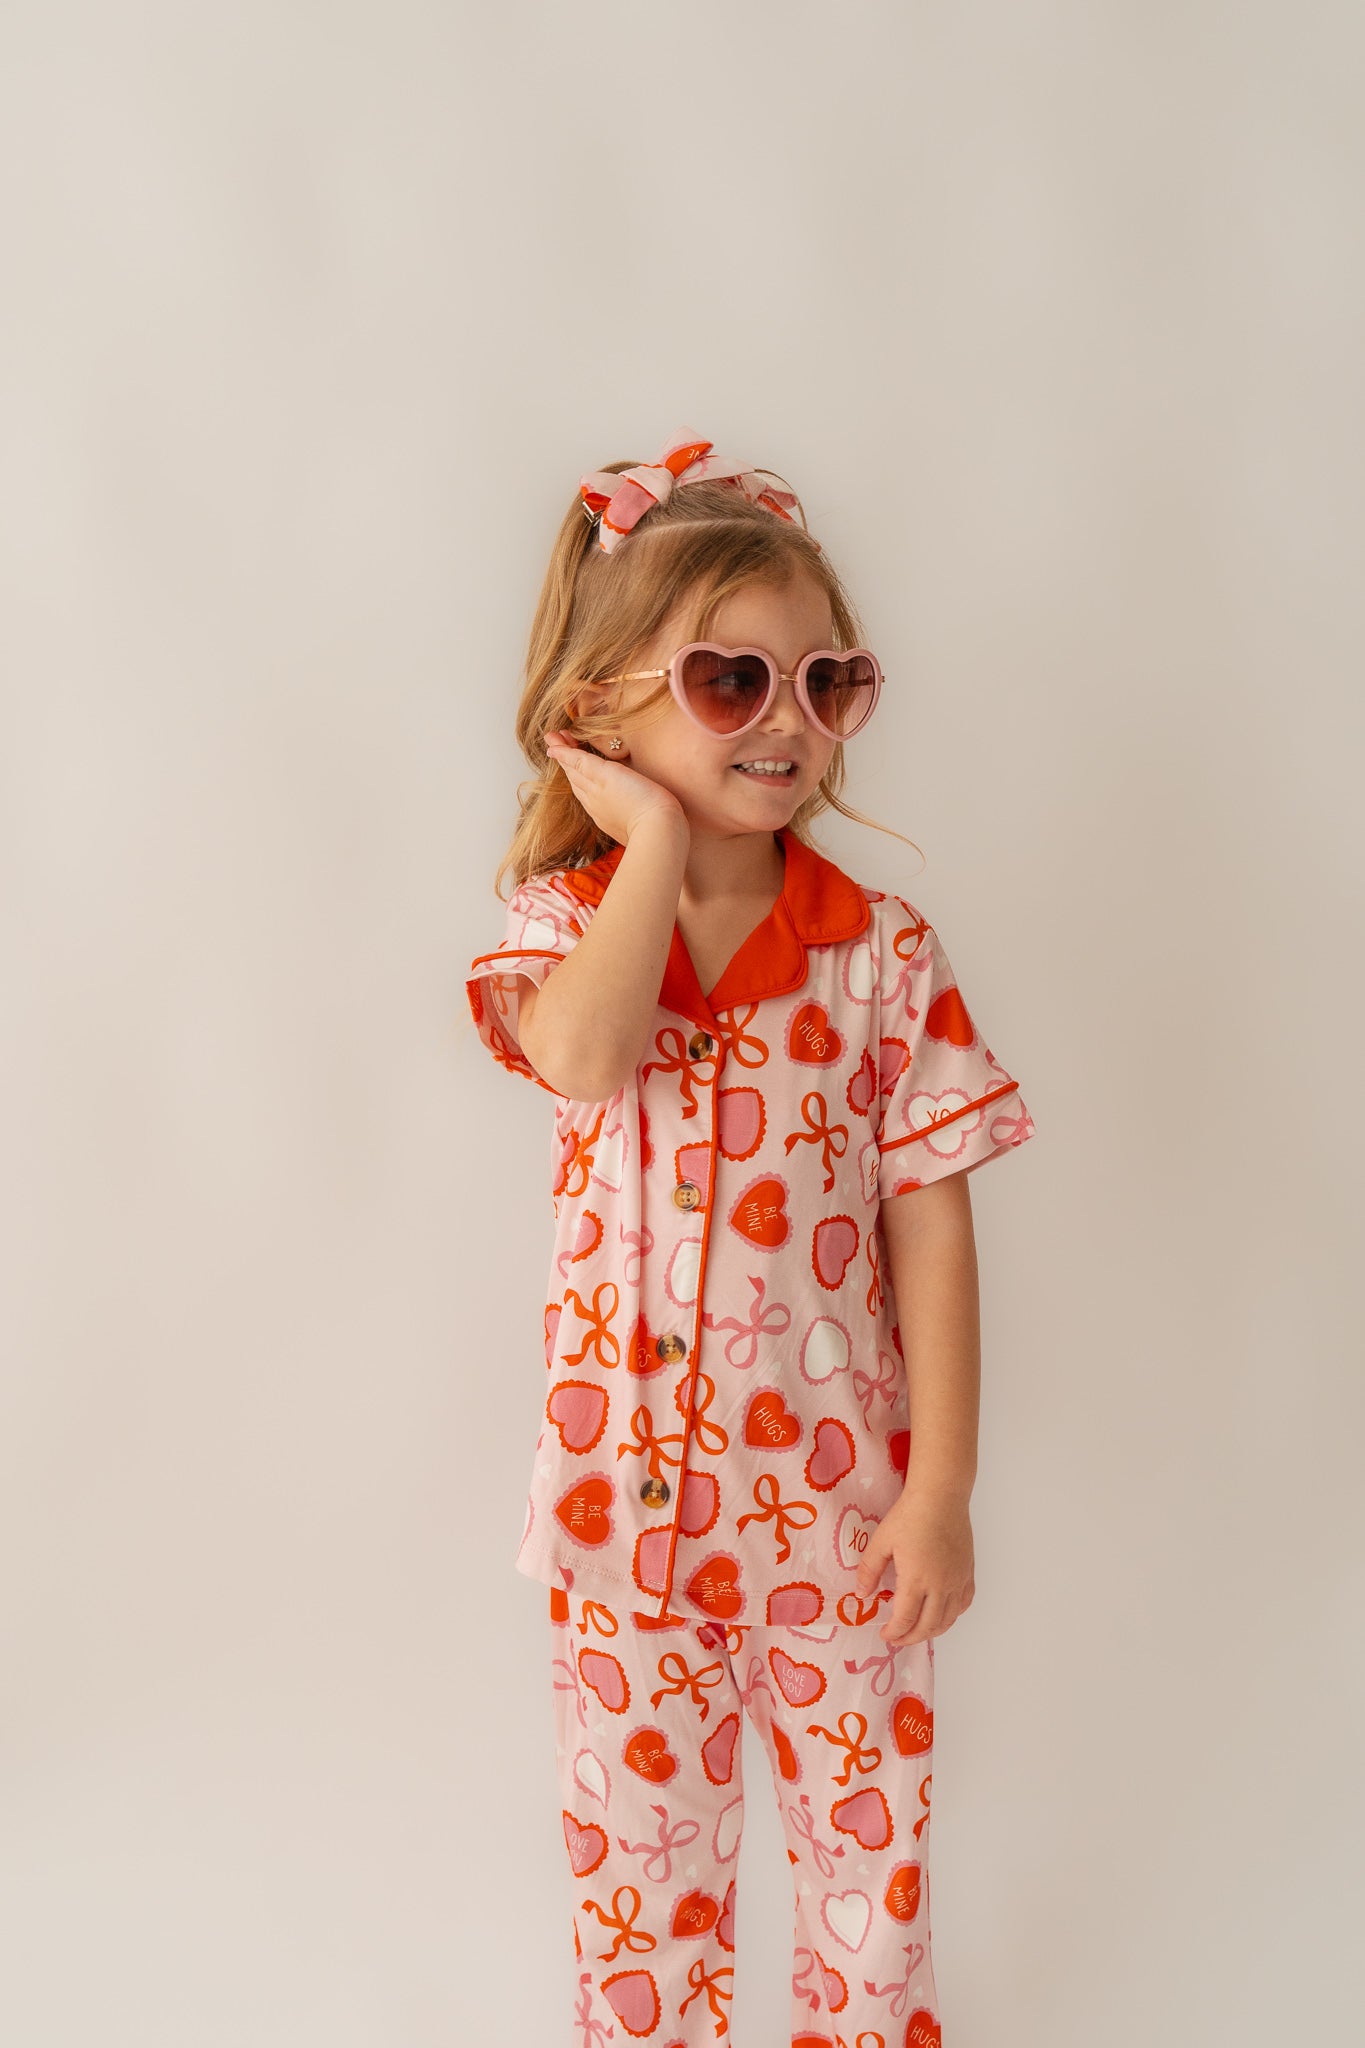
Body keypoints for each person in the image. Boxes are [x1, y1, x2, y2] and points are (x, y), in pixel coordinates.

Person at [463, 428, 1037, 2047]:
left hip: (844, 1527)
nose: (788, 721)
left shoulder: (883, 957)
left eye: (825, 682)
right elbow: (583, 1059)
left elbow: (934, 1234)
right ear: (602, 714)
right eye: (731, 682)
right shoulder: (565, 926)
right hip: (622, 1533)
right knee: (639, 1903)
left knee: (871, 1885)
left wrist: (938, 1494)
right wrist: (648, 845)